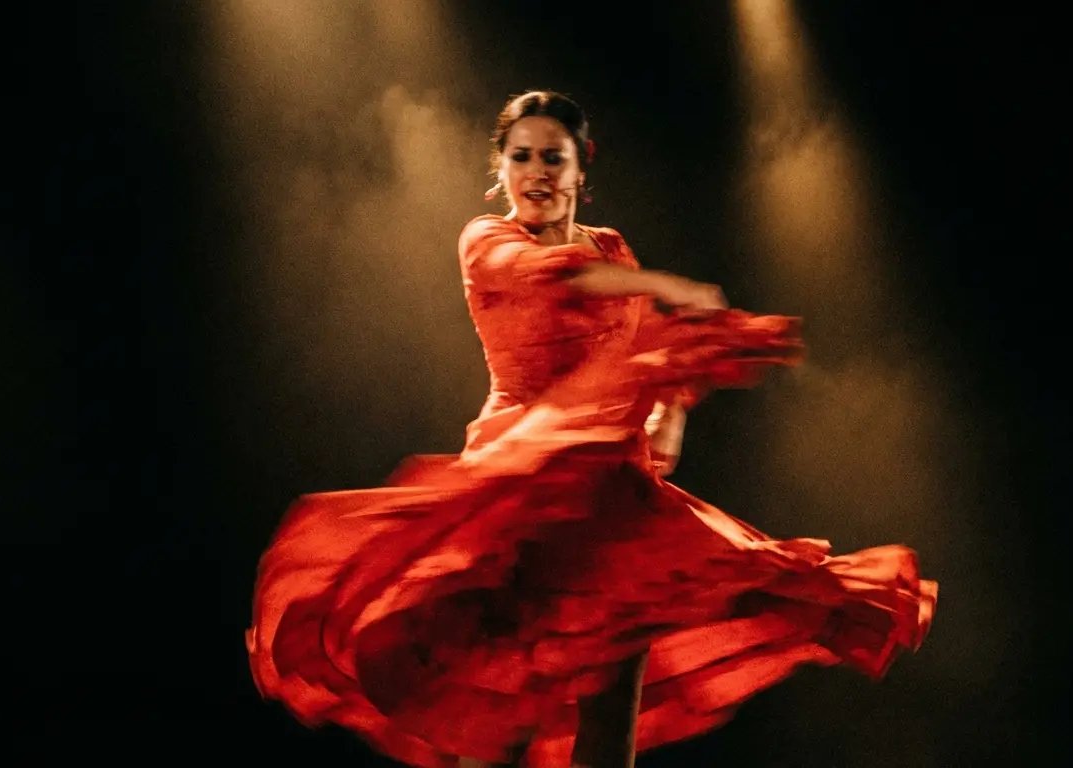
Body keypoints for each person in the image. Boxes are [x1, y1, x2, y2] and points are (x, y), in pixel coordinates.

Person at [245, 90, 937, 768]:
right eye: (521, 157)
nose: (537, 172)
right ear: (500, 170)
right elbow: (556, 277)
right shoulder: (487, 239)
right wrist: (668, 286)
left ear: (582, 168)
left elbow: (639, 346)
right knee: (497, 711)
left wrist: (668, 413)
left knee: (611, 711)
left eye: (554, 157)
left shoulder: (611, 249)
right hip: (520, 496)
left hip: (610, 497)